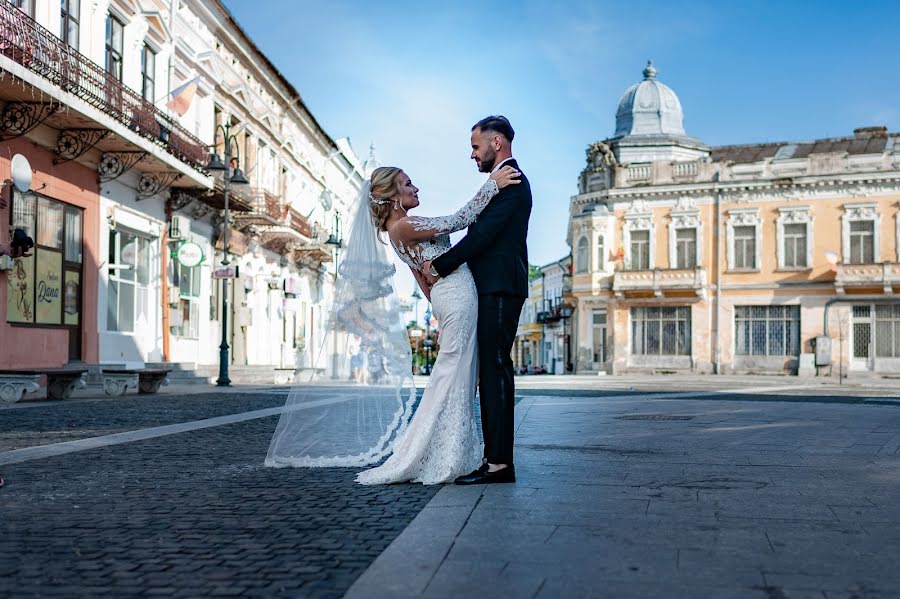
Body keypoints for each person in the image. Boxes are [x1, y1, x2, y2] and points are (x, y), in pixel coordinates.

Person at [264, 152, 521, 485]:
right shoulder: (406, 225)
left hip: (449, 300)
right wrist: (491, 185)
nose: (415, 188)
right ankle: (439, 454)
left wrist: (438, 313)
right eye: (407, 184)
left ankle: (449, 450)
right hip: (456, 298)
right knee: (453, 377)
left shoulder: (396, 229)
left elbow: (420, 279)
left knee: (455, 375)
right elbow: (458, 220)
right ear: (393, 196)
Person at [423, 115, 532, 485]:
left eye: (475, 146)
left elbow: (481, 235)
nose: (472, 154)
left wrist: (438, 266)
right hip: (493, 286)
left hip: (500, 286)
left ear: (496, 143)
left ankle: (500, 463)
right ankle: (494, 459)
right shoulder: (498, 183)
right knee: (491, 370)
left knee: (496, 368)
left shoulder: (513, 182)